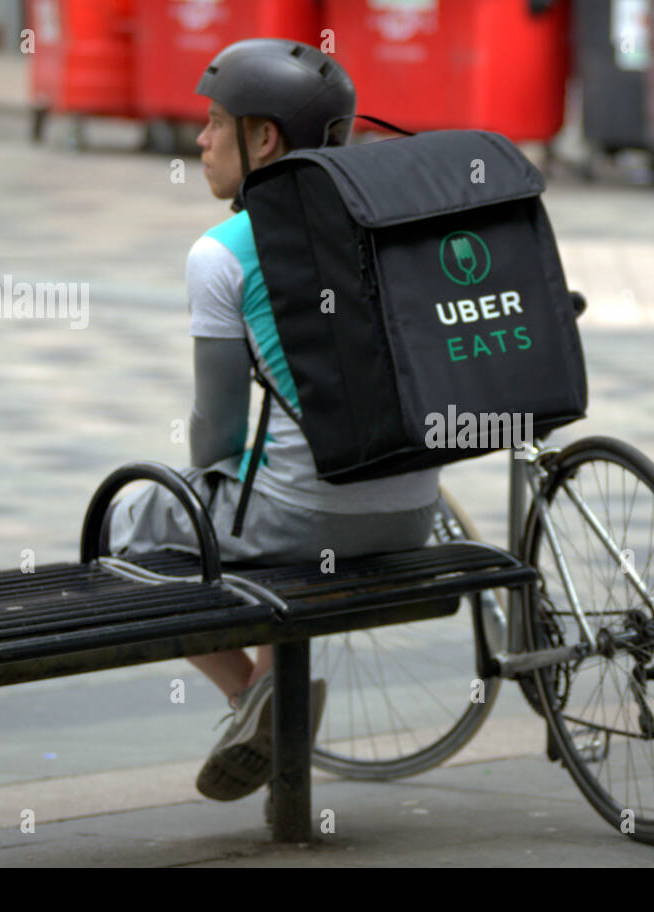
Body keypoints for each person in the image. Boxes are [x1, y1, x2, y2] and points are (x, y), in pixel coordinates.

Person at [106, 39, 442, 804]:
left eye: (216, 122)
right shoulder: (384, 219)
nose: (200, 139)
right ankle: (266, 687)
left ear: (264, 140)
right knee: (255, 500)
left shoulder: (222, 252)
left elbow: (217, 425)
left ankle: (250, 692)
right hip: (414, 517)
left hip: (302, 518)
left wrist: (205, 472)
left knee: (131, 519)